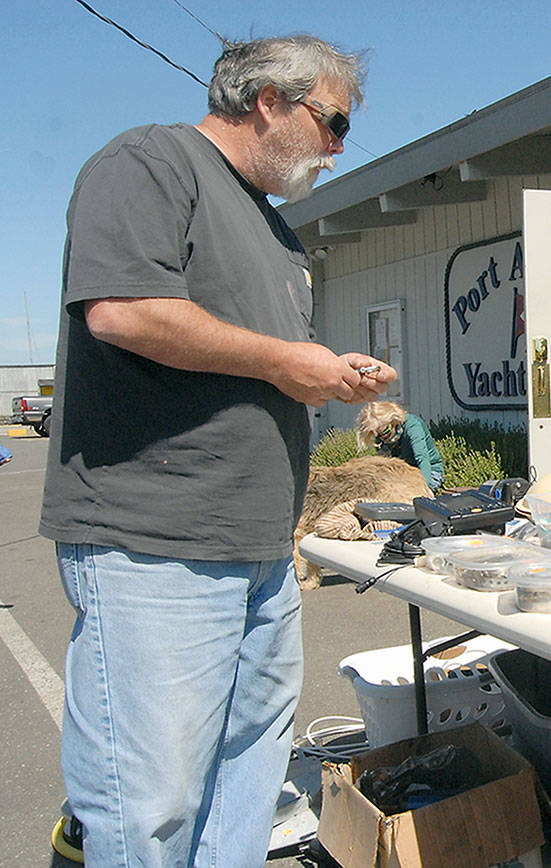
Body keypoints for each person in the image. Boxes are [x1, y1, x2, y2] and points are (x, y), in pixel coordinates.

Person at [39, 35, 395, 867]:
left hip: (259, 551)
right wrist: (290, 361)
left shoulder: (276, 234)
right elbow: (123, 311)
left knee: (247, 781)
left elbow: (245, 359)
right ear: (269, 99)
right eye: (334, 122)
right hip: (154, 543)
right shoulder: (150, 163)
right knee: (149, 802)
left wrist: (328, 375)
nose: (340, 148)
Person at [356, 400, 445, 492]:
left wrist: (426, 488)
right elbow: (385, 465)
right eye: (378, 435)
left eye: (386, 431)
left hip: (429, 472)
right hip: (404, 475)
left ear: (394, 421)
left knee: (410, 494)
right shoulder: (380, 437)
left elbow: (422, 458)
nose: (383, 437)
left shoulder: (413, 426)